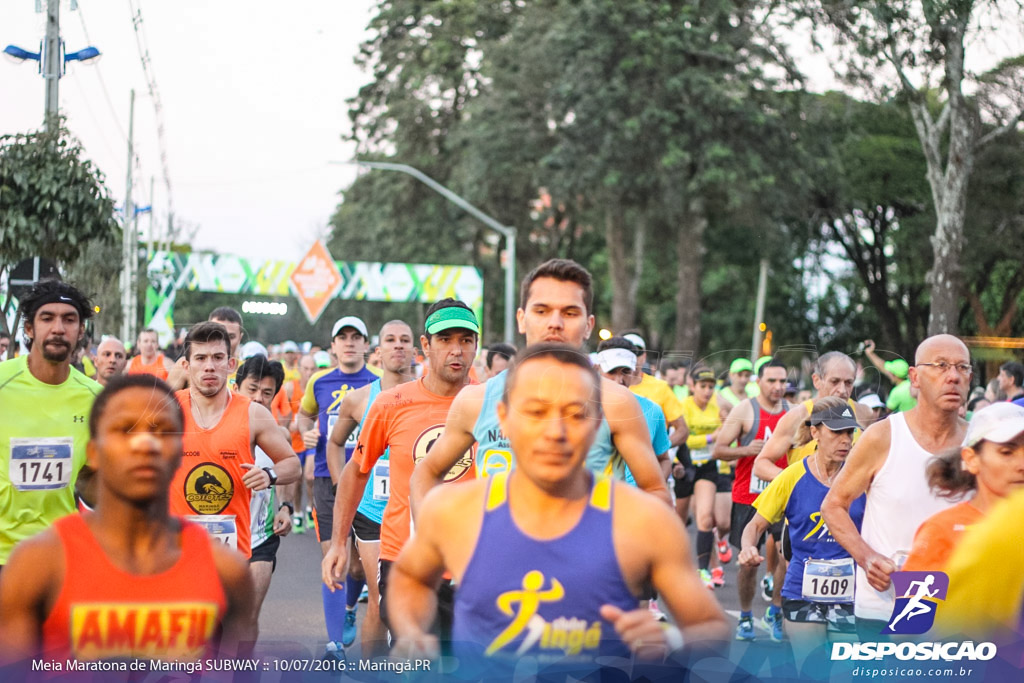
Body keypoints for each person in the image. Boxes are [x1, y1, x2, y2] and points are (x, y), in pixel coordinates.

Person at [385, 344, 729, 677]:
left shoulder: (643, 522)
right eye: (535, 412)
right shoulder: (456, 512)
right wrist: (413, 632)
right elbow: (410, 578)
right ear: (504, 418)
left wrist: (671, 642)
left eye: (575, 414)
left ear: (596, 424)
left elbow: (710, 626)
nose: (555, 431)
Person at [0, 374, 254, 666]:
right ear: (93, 453)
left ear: (179, 453)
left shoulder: (227, 571)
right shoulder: (36, 565)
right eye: (124, 431)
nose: (144, 445)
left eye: (162, 432)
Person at [409, 259, 669, 510]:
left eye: (569, 312)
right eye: (541, 311)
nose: (554, 323)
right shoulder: (477, 400)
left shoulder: (617, 402)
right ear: (522, 319)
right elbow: (426, 475)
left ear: (589, 325)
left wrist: (617, 547)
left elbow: (656, 492)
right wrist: (434, 545)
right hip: (500, 555)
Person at [321, 300, 480, 650]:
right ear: (425, 345)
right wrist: (337, 543)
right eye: (445, 339)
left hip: (474, 564)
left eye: (466, 340)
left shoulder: (493, 405)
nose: (456, 350)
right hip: (405, 560)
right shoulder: (392, 403)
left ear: (476, 345)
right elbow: (356, 472)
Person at [821, 334, 970, 639]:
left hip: (959, 607)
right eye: (941, 366)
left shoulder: (981, 443)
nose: (953, 376)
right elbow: (833, 505)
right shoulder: (883, 437)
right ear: (914, 377)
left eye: (962, 368)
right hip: (885, 604)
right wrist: (867, 558)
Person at [738, 397, 865, 665]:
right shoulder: (792, 476)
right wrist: (748, 547)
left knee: (847, 672)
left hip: (854, 592)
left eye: (849, 432)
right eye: (836, 432)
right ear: (816, 431)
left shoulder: (862, 477)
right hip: (802, 591)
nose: (845, 440)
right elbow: (755, 524)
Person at [169, 322, 299, 562]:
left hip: (232, 559)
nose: (209, 366)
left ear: (231, 365)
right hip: (175, 553)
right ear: (186, 366)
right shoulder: (166, 410)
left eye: (218, 357)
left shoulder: (254, 414)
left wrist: (269, 475)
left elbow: (292, 464)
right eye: (200, 358)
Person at [323, 320, 416, 656]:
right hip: (373, 511)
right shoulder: (359, 399)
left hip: (416, 511)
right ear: (378, 351)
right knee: (379, 599)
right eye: (390, 340)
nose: (398, 346)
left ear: (415, 349)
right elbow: (334, 444)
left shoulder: (428, 395)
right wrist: (341, 485)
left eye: (405, 340)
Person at [0, 280, 101, 565]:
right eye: (47, 318)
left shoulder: (97, 400)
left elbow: (93, 485)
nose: (58, 328)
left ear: (80, 331)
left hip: (59, 556)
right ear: (29, 328)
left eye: (69, 320)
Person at [297, 315, 378, 657]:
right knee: (334, 557)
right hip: (327, 479)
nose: (348, 342)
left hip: (368, 479)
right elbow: (304, 415)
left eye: (354, 337)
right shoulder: (319, 381)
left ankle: (348, 609)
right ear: (332, 346)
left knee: (359, 565)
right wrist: (306, 432)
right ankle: (334, 643)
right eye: (341, 337)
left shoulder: (378, 383)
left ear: (364, 344)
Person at [712, 359, 790, 642]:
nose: (778, 387)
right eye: (772, 381)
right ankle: (745, 614)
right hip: (748, 496)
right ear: (759, 382)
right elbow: (719, 450)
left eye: (782, 381)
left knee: (785, 556)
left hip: (782, 496)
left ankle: (776, 610)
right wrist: (746, 450)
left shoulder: (793, 413)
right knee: (748, 562)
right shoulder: (745, 410)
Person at [903, 401, 1024, 572]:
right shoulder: (940, 531)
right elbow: (912, 599)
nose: (1021, 464)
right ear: (971, 459)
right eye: (1007, 452)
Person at [234, 354, 294, 625]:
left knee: (248, 616)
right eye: (252, 389)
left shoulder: (279, 435)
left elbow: (290, 469)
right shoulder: (214, 429)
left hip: (260, 538)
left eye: (267, 392)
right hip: (219, 538)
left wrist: (285, 506)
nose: (258, 397)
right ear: (236, 389)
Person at [753, 351, 875, 482]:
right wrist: (800, 482)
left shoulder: (864, 413)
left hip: (849, 499)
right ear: (817, 381)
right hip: (809, 501)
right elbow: (761, 465)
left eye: (848, 383)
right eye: (835, 382)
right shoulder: (798, 416)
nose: (842, 390)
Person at [936, 487, 1024, 640]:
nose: (1020, 467)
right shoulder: (939, 526)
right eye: (1008, 460)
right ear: (972, 462)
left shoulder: (1009, 521)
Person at [682, 367, 726, 589]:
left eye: (711, 387)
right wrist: (709, 437)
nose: (708, 392)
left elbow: (724, 436)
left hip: (707, 467)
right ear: (692, 386)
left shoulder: (717, 407)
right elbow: (683, 439)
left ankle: (703, 570)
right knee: (681, 521)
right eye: (703, 386)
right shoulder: (684, 406)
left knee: (705, 517)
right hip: (683, 467)